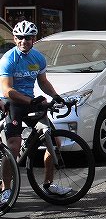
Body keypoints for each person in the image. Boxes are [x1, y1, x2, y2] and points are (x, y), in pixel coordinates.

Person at [0, 20, 68, 204]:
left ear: (33, 39)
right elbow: (7, 90)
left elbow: (43, 82)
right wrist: (31, 100)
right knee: (13, 146)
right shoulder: (8, 59)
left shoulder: (38, 58)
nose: (24, 41)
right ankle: (5, 188)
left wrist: (56, 96)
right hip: (12, 103)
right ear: (14, 39)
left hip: (30, 102)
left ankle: (48, 184)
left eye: (28, 38)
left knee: (54, 141)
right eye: (20, 37)